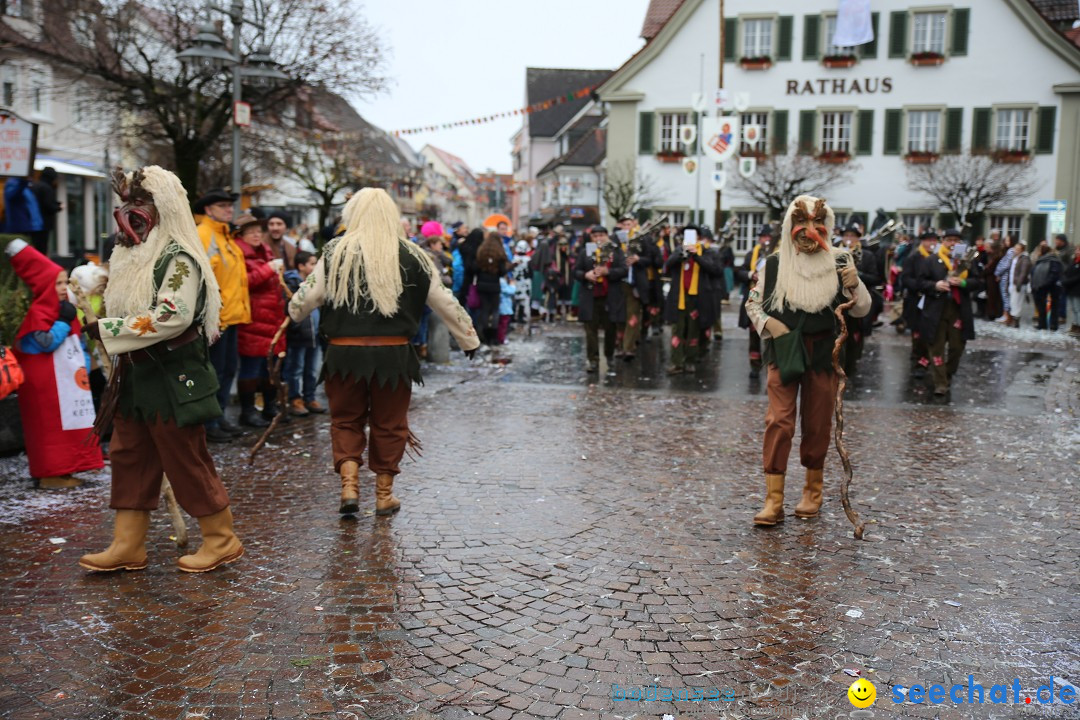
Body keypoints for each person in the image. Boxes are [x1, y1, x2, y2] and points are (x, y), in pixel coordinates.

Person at [80, 165, 242, 573]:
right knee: (129, 454)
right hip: (136, 372)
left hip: (174, 371)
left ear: (162, 207)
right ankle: (128, 544)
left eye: (141, 202)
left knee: (184, 457)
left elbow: (173, 315)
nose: (130, 211)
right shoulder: (131, 255)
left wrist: (109, 329)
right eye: (127, 202)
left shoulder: (179, 256)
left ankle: (221, 540)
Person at [287, 188, 480, 515]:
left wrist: (293, 311)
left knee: (346, 420)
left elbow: (306, 298)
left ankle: (349, 486)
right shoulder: (415, 255)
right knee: (390, 423)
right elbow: (444, 300)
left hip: (343, 356)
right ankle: (383, 494)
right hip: (393, 357)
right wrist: (468, 339)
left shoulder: (336, 251)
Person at [745, 196, 871, 526]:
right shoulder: (772, 263)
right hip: (785, 349)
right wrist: (771, 325)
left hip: (824, 354)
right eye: (803, 225)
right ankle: (773, 500)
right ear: (791, 227)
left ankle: (812, 492)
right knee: (780, 421)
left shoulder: (840, 260)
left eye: (818, 225)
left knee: (816, 423)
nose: (810, 232)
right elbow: (752, 304)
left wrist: (854, 284)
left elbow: (862, 308)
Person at [6, 239, 104, 487]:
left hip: (64, 379)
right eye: (57, 283)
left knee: (68, 425)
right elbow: (46, 342)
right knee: (50, 427)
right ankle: (51, 473)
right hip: (46, 384)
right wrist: (62, 321)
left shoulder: (60, 307)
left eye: (64, 282)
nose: (63, 287)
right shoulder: (40, 311)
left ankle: (66, 468)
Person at [194, 188, 250, 443]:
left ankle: (220, 415)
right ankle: (210, 421)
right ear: (208, 209)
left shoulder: (226, 236)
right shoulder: (204, 235)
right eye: (223, 206)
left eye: (230, 206)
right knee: (214, 370)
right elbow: (199, 279)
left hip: (231, 317)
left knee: (227, 369)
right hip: (216, 319)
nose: (229, 210)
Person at [909, 227, 984, 399]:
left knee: (957, 347)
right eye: (949, 240)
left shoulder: (966, 260)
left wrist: (963, 283)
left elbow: (978, 281)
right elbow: (920, 282)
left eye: (956, 241)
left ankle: (947, 373)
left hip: (958, 310)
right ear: (943, 242)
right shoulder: (932, 260)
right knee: (936, 347)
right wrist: (935, 285)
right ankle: (940, 383)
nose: (952, 244)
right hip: (936, 310)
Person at [233, 213, 287, 427]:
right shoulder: (239, 254)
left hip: (272, 317)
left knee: (270, 365)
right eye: (250, 231)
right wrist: (269, 269)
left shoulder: (265, 252)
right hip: (253, 318)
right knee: (251, 366)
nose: (256, 234)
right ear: (242, 235)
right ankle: (247, 411)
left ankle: (270, 406)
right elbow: (245, 282)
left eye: (258, 231)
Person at [663, 227, 723, 375]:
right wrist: (680, 254)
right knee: (677, 330)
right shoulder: (678, 250)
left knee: (693, 331)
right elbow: (667, 266)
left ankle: (690, 361)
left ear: (699, 238)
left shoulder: (708, 252)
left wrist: (696, 256)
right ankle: (676, 362)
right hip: (679, 298)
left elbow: (716, 270)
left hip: (698, 299)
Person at [575, 225, 627, 373]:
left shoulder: (616, 252)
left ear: (607, 236)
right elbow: (576, 271)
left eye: (601, 236)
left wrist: (608, 272)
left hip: (609, 296)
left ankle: (609, 355)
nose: (598, 239)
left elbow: (624, 270)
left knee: (610, 329)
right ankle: (593, 360)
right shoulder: (586, 252)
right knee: (590, 331)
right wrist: (586, 275)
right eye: (595, 237)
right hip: (590, 296)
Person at [283, 251, 324, 417]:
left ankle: (310, 397)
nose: (314, 267)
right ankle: (295, 398)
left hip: (314, 334)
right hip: (299, 335)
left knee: (312, 369)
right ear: (301, 266)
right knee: (296, 368)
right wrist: (296, 327)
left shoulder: (317, 283)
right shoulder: (292, 283)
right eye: (311, 264)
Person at [735, 225, 773, 379]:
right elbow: (741, 272)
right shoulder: (752, 253)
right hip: (754, 298)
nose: (766, 240)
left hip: (770, 300)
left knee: (771, 335)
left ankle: (771, 367)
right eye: (763, 237)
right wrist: (751, 274)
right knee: (754, 335)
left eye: (768, 237)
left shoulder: (777, 254)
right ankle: (755, 366)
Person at [902, 230, 939, 377]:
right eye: (928, 240)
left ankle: (926, 359)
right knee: (917, 332)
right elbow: (905, 279)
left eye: (934, 240)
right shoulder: (913, 257)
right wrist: (921, 285)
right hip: (916, 300)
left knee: (931, 332)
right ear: (922, 242)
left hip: (933, 300)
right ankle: (918, 360)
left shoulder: (939, 257)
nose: (931, 243)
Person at [474, 232, 509, 346]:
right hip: (494, 285)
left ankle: (484, 335)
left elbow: (476, 268)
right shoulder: (499, 253)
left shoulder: (481, 251)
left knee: (484, 310)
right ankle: (493, 336)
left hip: (482, 284)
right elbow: (503, 271)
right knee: (494, 310)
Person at [1030, 243, 1064, 331]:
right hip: (1042, 286)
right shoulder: (1041, 260)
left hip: (1052, 287)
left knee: (1054, 306)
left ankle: (1053, 325)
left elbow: (1054, 274)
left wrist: (1044, 283)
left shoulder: (1053, 260)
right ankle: (1042, 324)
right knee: (1041, 306)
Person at [30, 167, 61, 255]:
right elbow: (49, 205)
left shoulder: (35, 186)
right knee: (42, 249)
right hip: (43, 223)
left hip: (32, 223)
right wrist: (59, 207)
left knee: (35, 247)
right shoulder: (47, 188)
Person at [1007, 241, 1031, 328]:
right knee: (1013, 302)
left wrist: (1019, 284)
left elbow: (1023, 273)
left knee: (1017, 302)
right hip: (1012, 283)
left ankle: (1016, 320)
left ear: (1022, 250)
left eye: (1018, 249)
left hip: (1018, 284)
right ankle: (1014, 318)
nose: (1015, 251)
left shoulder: (1024, 259)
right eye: (1015, 249)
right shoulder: (1015, 258)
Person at [1062, 244, 1080, 337]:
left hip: (1077, 289)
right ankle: (1075, 324)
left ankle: (1078, 325)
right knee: (1073, 308)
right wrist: (1064, 279)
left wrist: (1066, 281)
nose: (1077, 252)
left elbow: (1077, 277)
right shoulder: (1073, 261)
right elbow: (1067, 271)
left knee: (1077, 308)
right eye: (1076, 250)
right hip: (1071, 288)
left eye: (1079, 250)